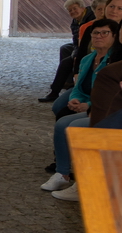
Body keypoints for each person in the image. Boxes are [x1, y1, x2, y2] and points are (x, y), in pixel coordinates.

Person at [40, 18, 118, 202]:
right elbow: (79, 86)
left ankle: (84, 181)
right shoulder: (87, 59)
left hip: (106, 110)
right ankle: (62, 173)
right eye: (95, 33)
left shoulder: (113, 62)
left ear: (114, 37)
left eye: (104, 33)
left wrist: (89, 105)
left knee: (74, 126)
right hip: (91, 105)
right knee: (62, 122)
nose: (99, 36)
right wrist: (75, 98)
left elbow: (109, 96)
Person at [39, 0, 103, 103]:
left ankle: (55, 91)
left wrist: (76, 55)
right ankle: (68, 81)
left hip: (89, 48)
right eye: (70, 10)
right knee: (65, 48)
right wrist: (75, 52)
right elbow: (76, 40)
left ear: (82, 8)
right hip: (80, 45)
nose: (73, 11)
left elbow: (84, 44)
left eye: (75, 8)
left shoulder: (90, 19)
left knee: (67, 62)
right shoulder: (75, 21)